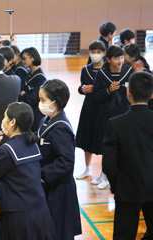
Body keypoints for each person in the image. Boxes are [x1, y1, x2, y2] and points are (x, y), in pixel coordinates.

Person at [0, 102, 57, 240]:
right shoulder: (33, 143)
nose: (2, 121)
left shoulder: (7, 151)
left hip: (18, 217)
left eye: (4, 117)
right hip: (40, 212)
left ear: (12, 122)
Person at [102, 71, 153, 240]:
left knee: (124, 235)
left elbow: (109, 164)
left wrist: (118, 186)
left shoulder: (116, 124)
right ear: (151, 94)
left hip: (127, 189)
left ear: (128, 93)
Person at [37, 79, 82, 240]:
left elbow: (66, 161)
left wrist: (42, 175)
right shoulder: (46, 120)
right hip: (49, 186)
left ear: (56, 102)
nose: (40, 104)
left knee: (58, 232)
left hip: (59, 190)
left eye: (43, 100)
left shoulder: (61, 128)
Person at [91, 45, 134, 189]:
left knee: (123, 147)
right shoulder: (101, 74)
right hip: (106, 116)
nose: (120, 60)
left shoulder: (129, 72)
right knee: (106, 146)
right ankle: (104, 174)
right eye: (116, 58)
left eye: (122, 57)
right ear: (108, 59)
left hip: (124, 114)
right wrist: (108, 90)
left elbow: (132, 90)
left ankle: (118, 175)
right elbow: (96, 96)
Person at [76, 40, 106, 179]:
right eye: (93, 52)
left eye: (98, 52)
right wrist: (82, 89)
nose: (96, 55)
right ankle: (87, 168)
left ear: (104, 53)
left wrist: (96, 89)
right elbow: (81, 87)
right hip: (89, 107)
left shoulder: (106, 70)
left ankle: (102, 172)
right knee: (87, 137)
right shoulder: (85, 69)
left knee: (102, 138)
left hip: (103, 107)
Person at [19, 47, 46, 132]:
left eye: (24, 59)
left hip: (36, 114)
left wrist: (24, 94)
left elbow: (34, 98)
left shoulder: (40, 77)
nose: (22, 61)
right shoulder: (29, 73)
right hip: (28, 111)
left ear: (32, 58)